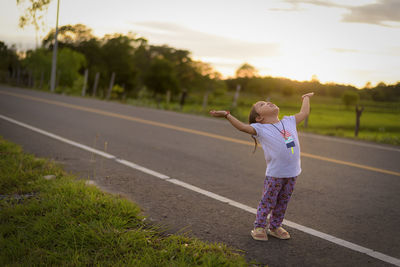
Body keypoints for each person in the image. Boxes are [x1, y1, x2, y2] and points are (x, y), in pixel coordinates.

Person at [209, 92, 314, 241]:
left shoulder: (289, 121)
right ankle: (259, 226)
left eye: (266, 102)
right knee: (268, 201)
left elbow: (304, 112)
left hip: (292, 173)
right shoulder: (260, 128)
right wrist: (227, 115)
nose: (267, 103)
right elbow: (242, 127)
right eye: (262, 104)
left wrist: (306, 98)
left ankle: (275, 226)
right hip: (275, 174)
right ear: (259, 118)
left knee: (283, 201)